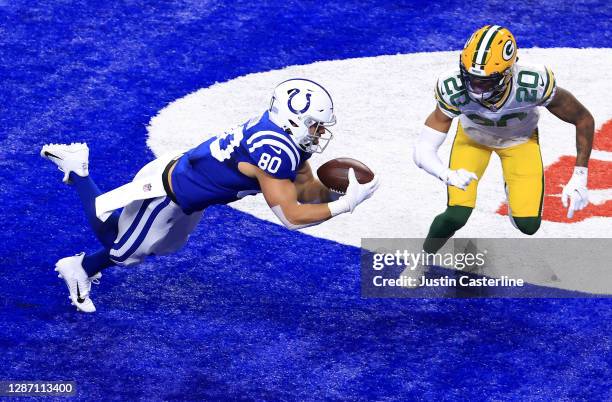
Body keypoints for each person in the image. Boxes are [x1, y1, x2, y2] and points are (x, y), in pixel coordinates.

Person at [41, 78, 380, 312]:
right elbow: (290, 216)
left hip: (192, 197)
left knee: (152, 245)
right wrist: (346, 206)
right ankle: (79, 179)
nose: (319, 133)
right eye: (314, 125)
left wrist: (343, 189)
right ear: (293, 121)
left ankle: (84, 256)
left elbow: (305, 190)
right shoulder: (273, 149)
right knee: (123, 250)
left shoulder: (286, 141)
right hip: (167, 194)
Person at [413, 25, 594, 255]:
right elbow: (423, 149)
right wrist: (446, 173)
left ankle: (516, 192)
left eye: (486, 81)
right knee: (457, 214)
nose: (475, 87)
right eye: (470, 77)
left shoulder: (532, 83)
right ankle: (422, 257)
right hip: (472, 140)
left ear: (509, 72)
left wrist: (580, 176)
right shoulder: (453, 88)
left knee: (528, 225)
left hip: (520, 141)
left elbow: (583, 119)